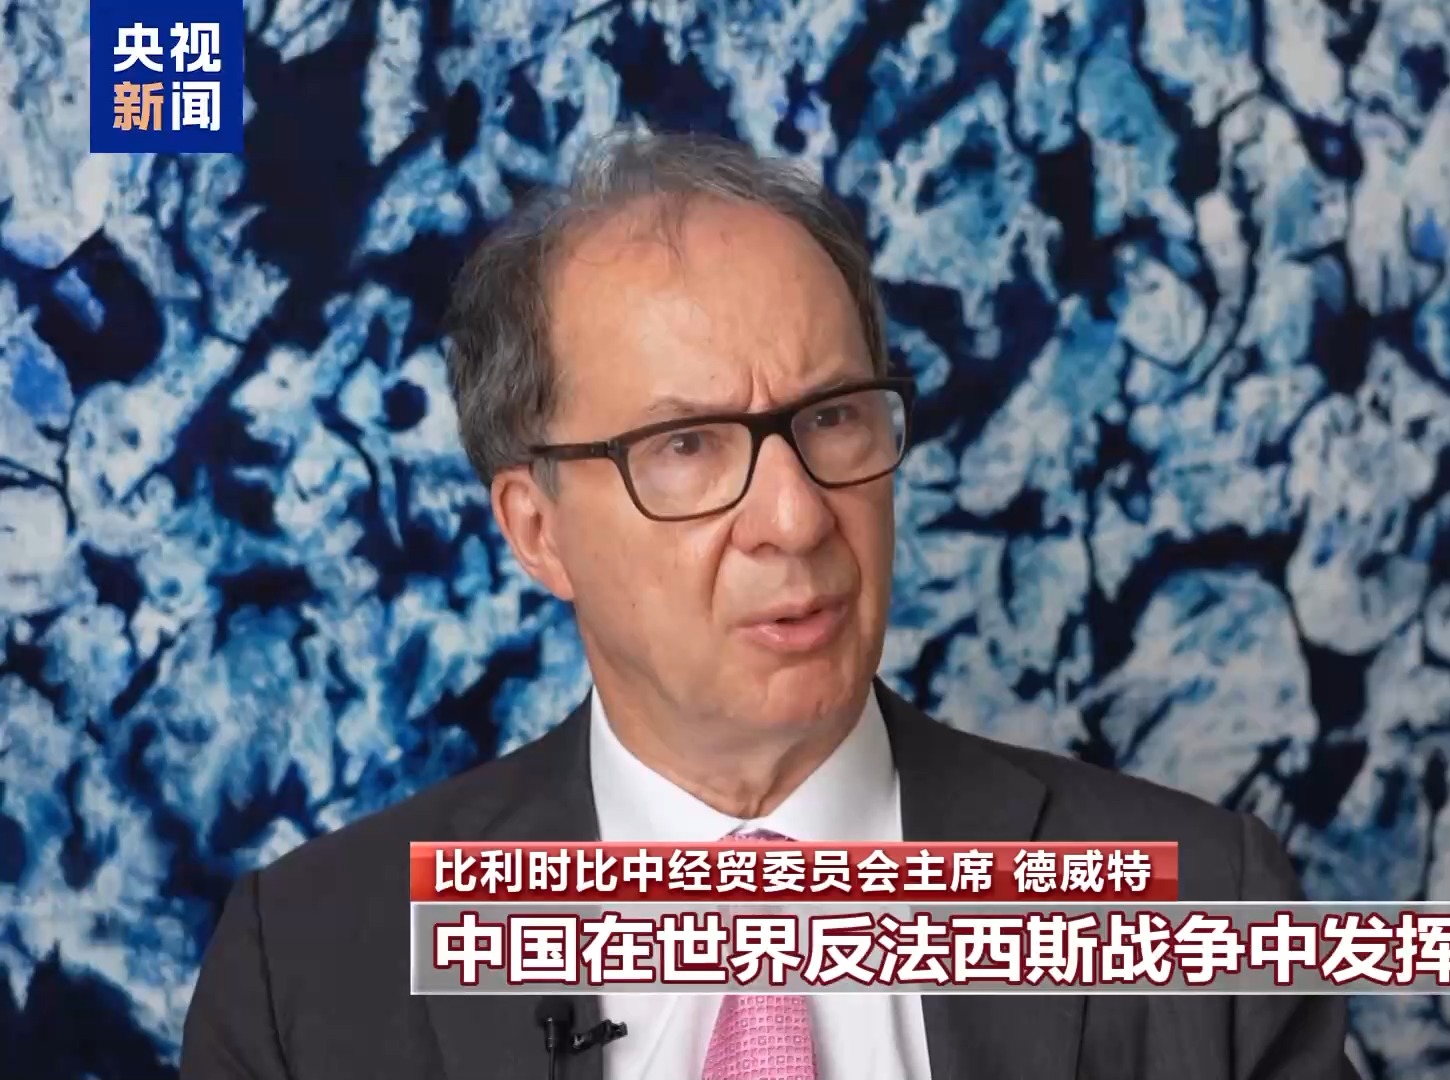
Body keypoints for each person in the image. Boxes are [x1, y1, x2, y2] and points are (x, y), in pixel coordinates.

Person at [181, 128, 1360, 1080]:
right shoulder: (309, 969)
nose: (795, 519)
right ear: (537, 530)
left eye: (833, 417)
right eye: (686, 445)